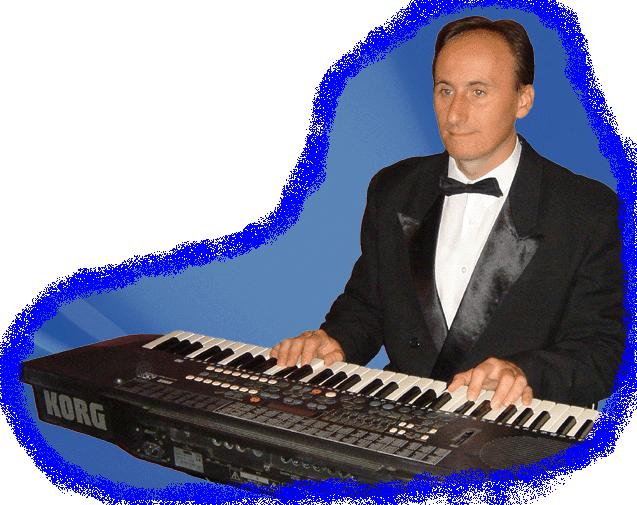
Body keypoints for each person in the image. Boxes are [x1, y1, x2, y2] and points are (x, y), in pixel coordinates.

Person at [271, 16, 624, 409]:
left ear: (523, 100)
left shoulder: (587, 210)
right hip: (399, 416)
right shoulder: (393, 188)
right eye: (445, 91)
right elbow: (368, 306)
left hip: (519, 429)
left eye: (478, 92)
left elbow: (601, 350)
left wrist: (525, 373)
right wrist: (334, 339)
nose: (454, 114)